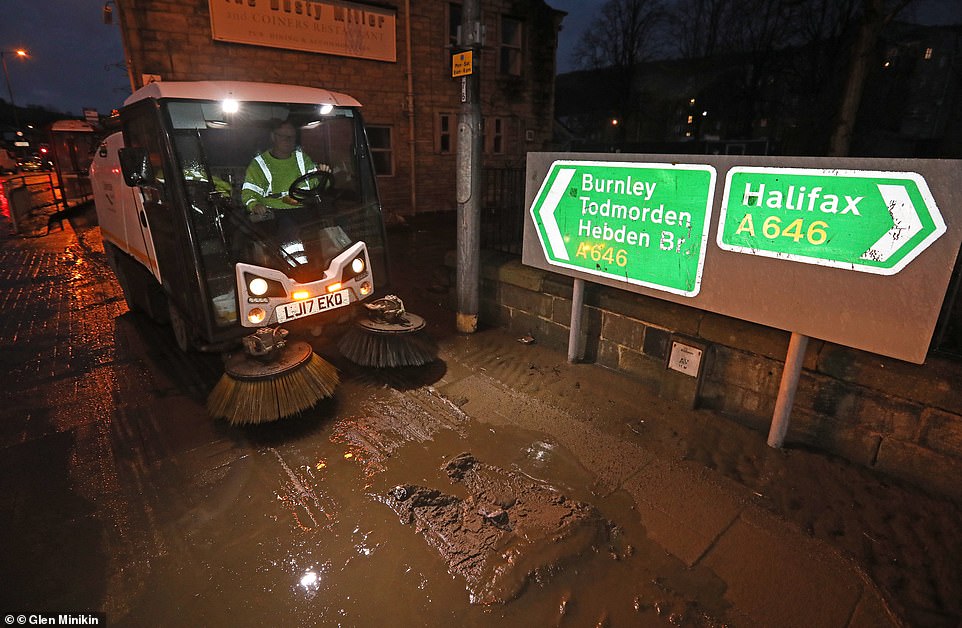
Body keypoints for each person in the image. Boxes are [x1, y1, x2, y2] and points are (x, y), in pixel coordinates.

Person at [241, 120, 332, 222]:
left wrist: (322, 176)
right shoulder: (259, 164)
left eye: (291, 137)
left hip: (303, 209)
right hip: (275, 214)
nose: (287, 140)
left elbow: (317, 185)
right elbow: (248, 192)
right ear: (273, 137)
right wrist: (255, 205)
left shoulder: (302, 159)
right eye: (283, 136)